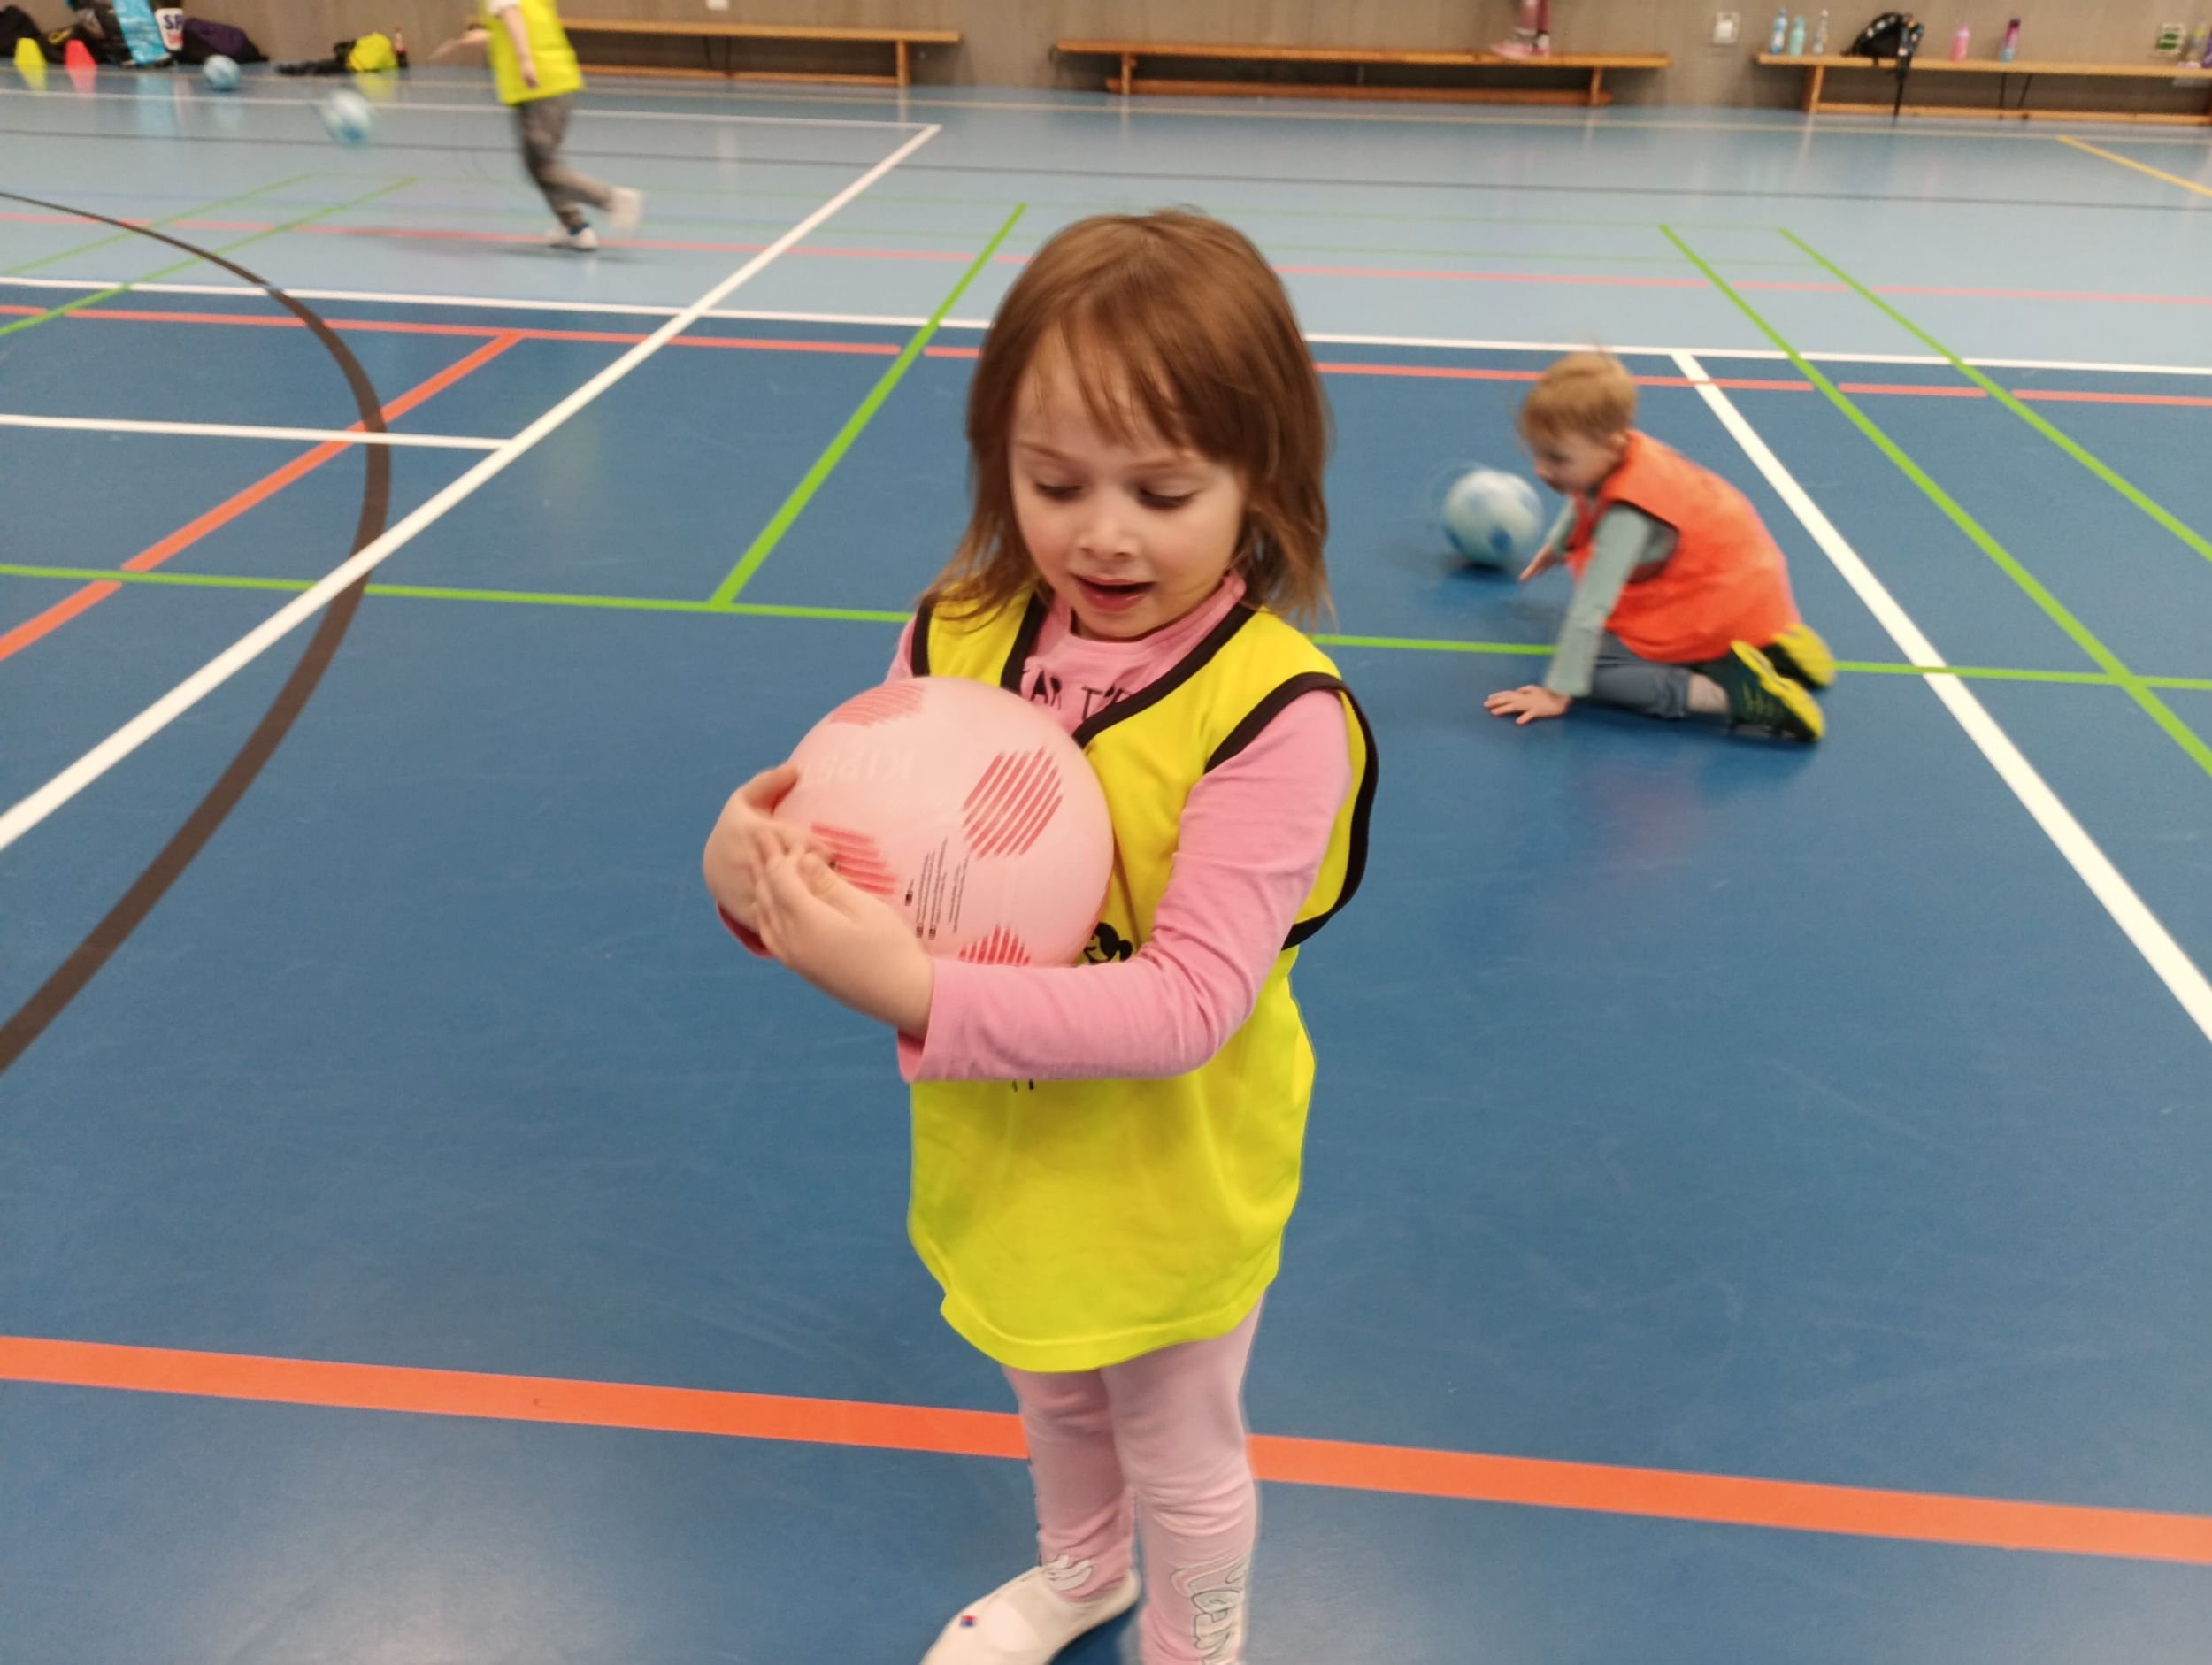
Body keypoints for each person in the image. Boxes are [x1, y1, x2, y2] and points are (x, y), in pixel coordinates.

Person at [703, 211, 1378, 1665]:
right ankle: (1082, 1571)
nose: (1101, 531)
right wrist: (751, 876)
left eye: (1163, 489)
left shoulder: (1276, 714)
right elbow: (861, 855)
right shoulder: (957, 634)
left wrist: (918, 989)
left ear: (1260, 476)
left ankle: (1197, 1639)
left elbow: (1191, 1000)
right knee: (1055, 1393)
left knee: (1180, 1442)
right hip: (1002, 1148)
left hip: (1166, 1176)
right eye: (1054, 481)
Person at [1484, 352, 1833, 740]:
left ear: (1610, 445)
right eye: (1537, 453)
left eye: (1557, 458)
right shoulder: (1622, 452)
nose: (1541, 470)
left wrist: (1556, 693)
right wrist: (1559, 543)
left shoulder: (1628, 517)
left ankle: (1729, 696)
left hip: (1717, 603)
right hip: (1751, 589)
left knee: (1590, 669)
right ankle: (1769, 641)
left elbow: (1590, 609)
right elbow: (1584, 496)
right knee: (1589, 644)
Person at [473, 0, 641, 251]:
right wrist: (490, 36)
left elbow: (512, 15)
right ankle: (574, 227)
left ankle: (611, 200)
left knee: (544, 166)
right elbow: (527, 22)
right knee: (539, 164)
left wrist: (525, 60)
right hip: (556, 80)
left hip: (538, 86)